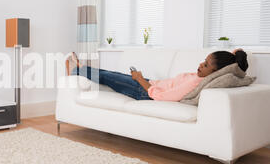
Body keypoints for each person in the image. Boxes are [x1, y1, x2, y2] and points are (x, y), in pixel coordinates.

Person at [66, 49, 249, 101]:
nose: (201, 65)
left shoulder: (194, 83)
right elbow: (232, 63)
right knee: (110, 73)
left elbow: (161, 96)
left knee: (106, 76)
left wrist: (139, 80)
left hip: (144, 92)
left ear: (215, 72)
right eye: (203, 60)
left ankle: (75, 70)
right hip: (148, 83)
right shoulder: (203, 76)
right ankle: (81, 68)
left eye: (206, 65)